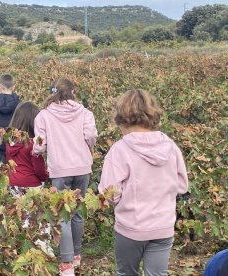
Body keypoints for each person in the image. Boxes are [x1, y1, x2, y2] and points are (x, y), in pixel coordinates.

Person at [98, 89, 189, 276]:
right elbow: (182, 186)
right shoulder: (171, 147)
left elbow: (110, 193)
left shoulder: (119, 150)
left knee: (126, 273)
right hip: (163, 227)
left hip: (131, 227)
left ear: (121, 117)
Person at [33, 78, 98, 276]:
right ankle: (76, 256)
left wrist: (36, 152)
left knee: (62, 214)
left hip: (60, 168)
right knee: (77, 211)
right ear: (73, 91)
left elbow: (40, 144)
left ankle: (67, 263)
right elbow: (91, 136)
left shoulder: (43, 115)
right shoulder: (85, 112)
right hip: (82, 167)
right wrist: (88, 150)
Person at [7, 101, 52, 257]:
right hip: (32, 185)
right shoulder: (33, 144)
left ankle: (20, 245)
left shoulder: (10, 142)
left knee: (20, 214)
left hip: (13, 184)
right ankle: (42, 245)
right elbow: (38, 169)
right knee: (40, 217)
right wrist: (45, 177)